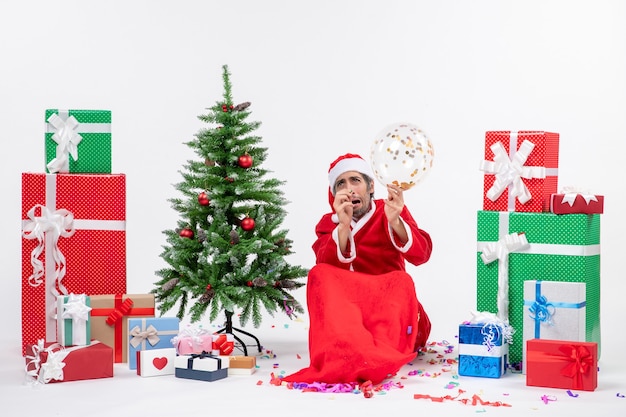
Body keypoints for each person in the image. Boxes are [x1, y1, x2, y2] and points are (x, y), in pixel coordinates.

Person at [282, 153, 433, 386]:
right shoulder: (328, 223)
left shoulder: (390, 209)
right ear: (333, 195)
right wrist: (343, 227)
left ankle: (375, 351)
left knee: (402, 280)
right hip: (351, 316)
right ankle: (352, 348)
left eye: (355, 180)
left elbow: (422, 255)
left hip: (390, 309)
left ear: (371, 186)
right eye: (341, 184)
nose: (349, 189)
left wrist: (396, 222)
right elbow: (326, 275)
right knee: (318, 273)